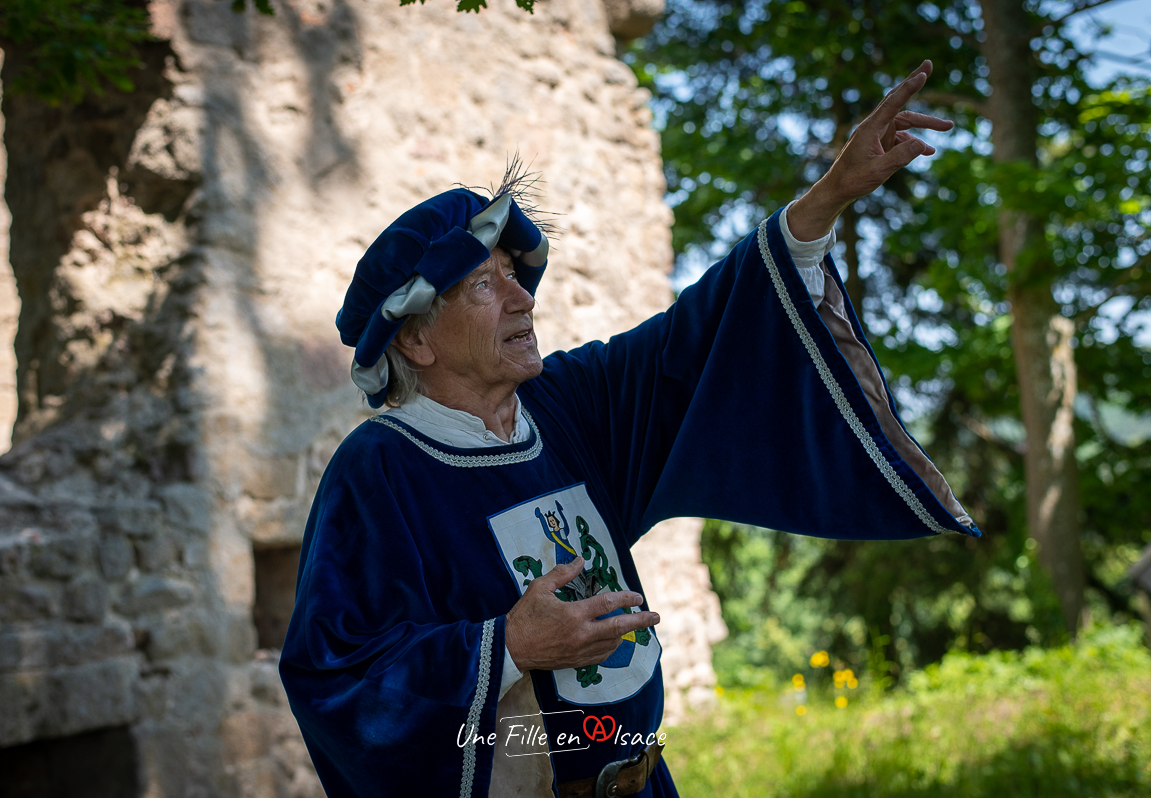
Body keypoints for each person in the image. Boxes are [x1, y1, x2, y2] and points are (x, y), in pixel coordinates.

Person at [279, 61, 979, 798]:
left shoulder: (564, 406)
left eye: (517, 271)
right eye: (485, 284)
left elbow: (697, 341)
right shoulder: (380, 472)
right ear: (415, 341)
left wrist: (828, 196)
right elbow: (338, 677)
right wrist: (509, 645)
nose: (524, 298)